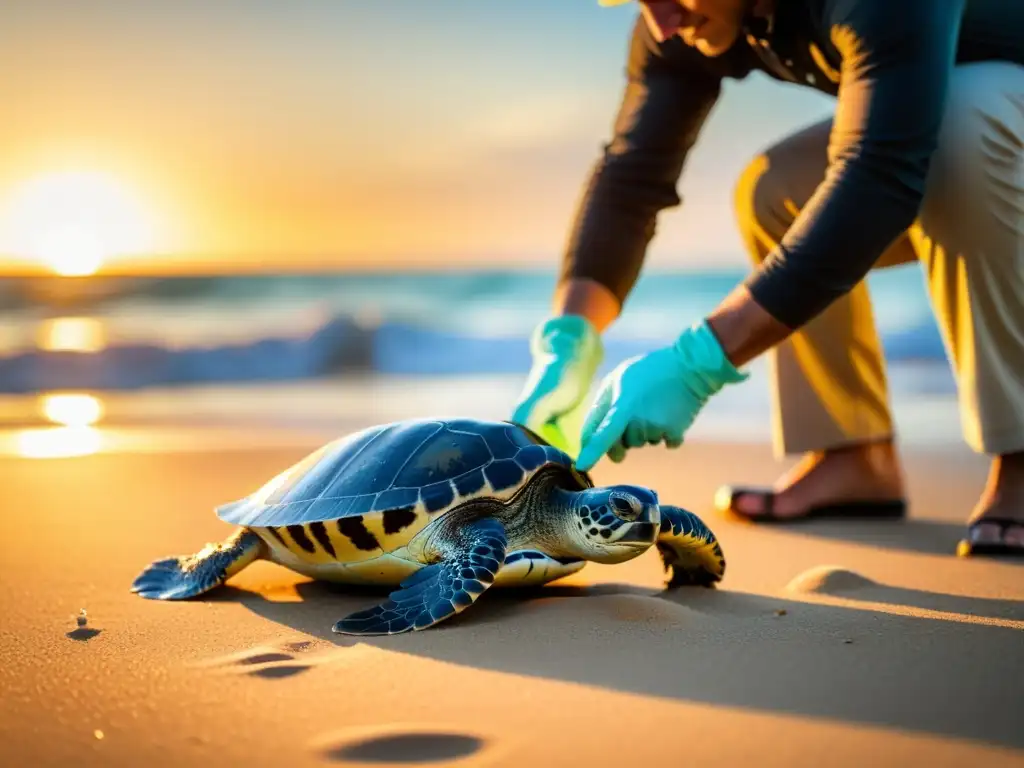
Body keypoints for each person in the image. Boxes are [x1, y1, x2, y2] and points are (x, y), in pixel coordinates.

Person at [510, 0, 1024, 557]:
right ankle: (852, 452)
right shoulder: (678, 18)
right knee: (773, 193)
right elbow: (633, 175)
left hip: (990, 125)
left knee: (963, 132)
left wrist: (697, 364)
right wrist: (570, 342)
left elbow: (881, 173)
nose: (660, 20)